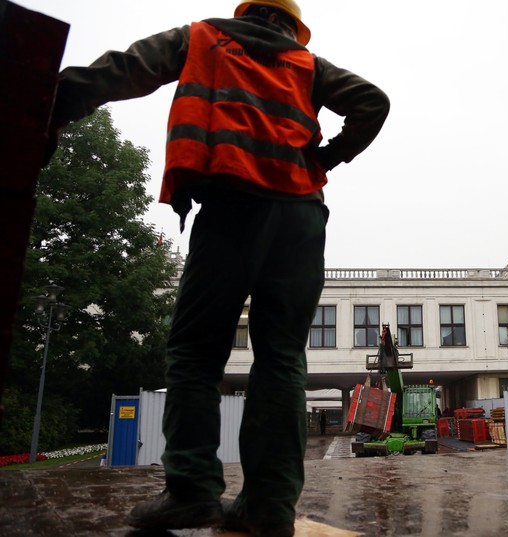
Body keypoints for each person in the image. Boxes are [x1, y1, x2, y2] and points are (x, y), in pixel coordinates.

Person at [46, 1, 390, 536]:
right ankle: (269, 507)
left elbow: (124, 69)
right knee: (281, 359)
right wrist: (328, 157)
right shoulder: (308, 64)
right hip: (300, 218)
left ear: (247, 12)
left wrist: (53, 102)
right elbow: (373, 101)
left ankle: (191, 492)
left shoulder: (202, 38)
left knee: (196, 353)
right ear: (290, 25)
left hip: (231, 208)